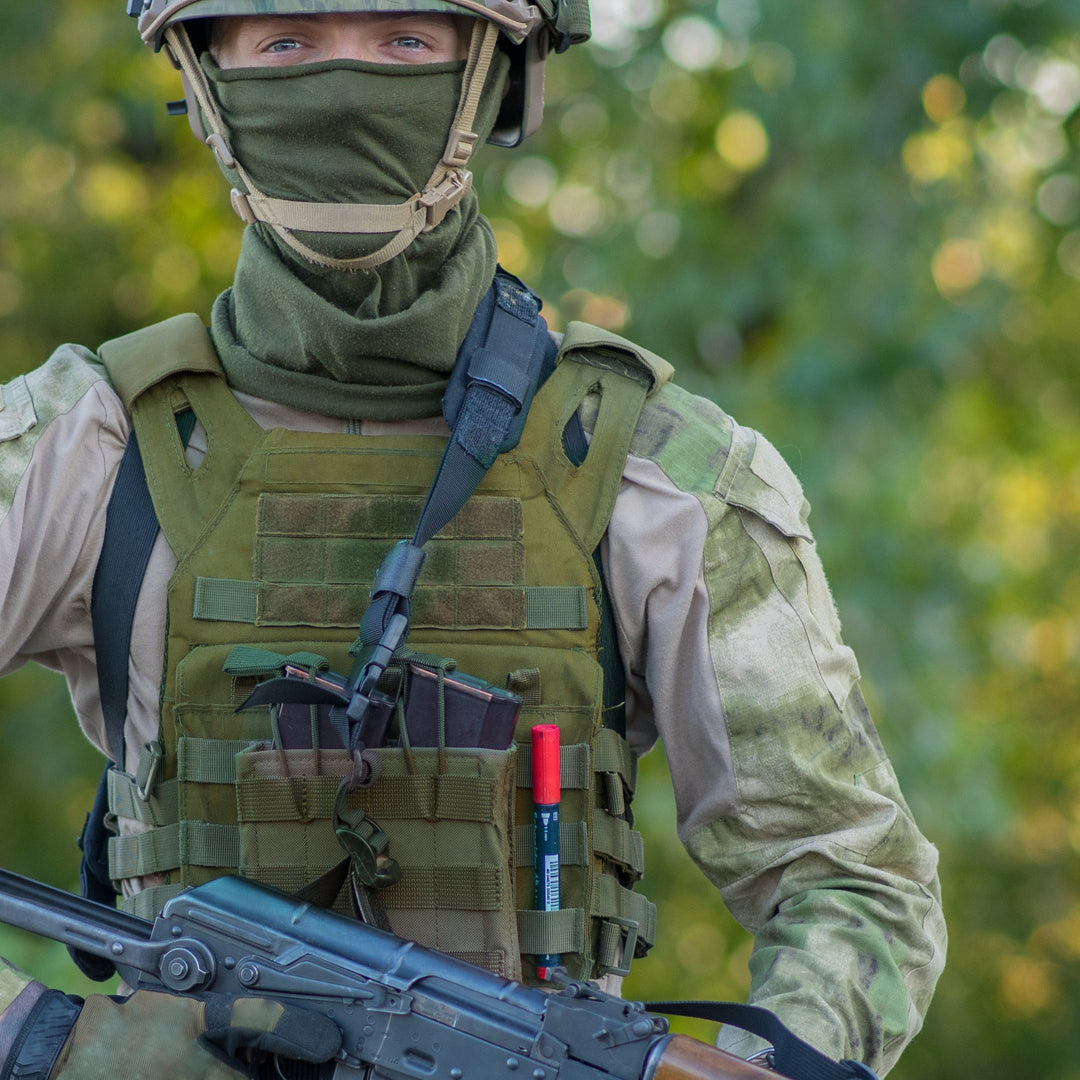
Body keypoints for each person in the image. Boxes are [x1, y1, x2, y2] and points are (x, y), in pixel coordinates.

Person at [0, 0, 946, 1076]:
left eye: (404, 39)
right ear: (207, 75)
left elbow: (853, 881)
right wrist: (54, 1041)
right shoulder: (81, 451)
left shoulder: (659, 478)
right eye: (286, 43)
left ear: (493, 74)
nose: (344, 84)